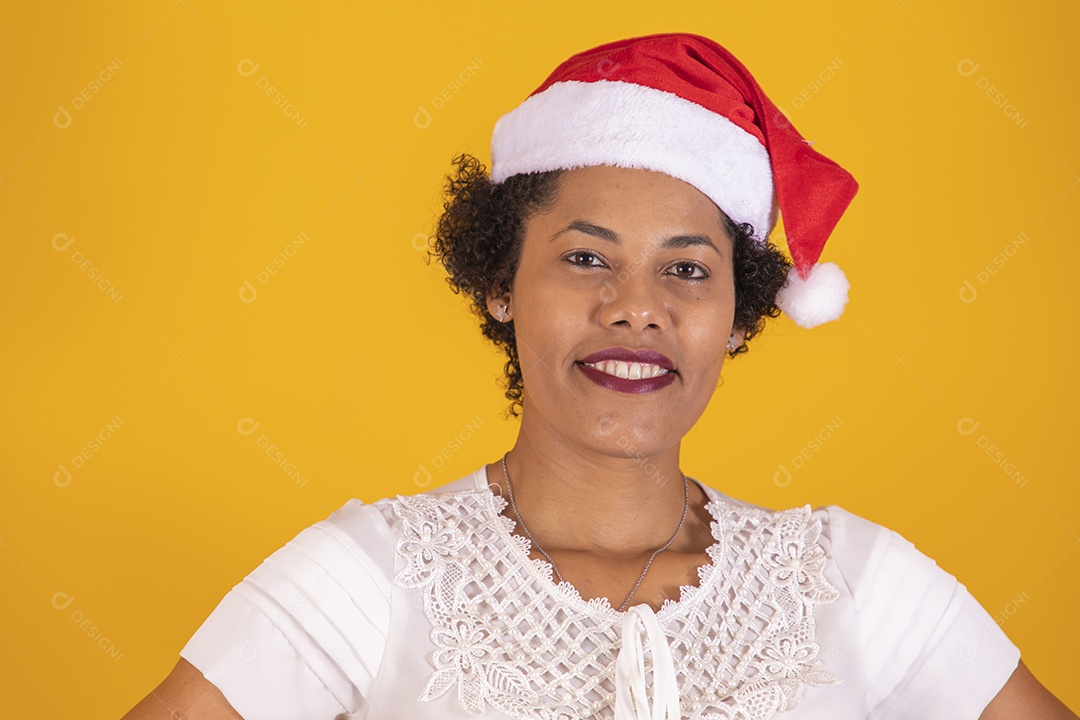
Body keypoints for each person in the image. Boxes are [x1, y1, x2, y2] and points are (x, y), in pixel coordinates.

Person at [121, 33, 1077, 720]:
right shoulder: (371, 580)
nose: (637, 307)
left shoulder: (858, 585)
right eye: (586, 259)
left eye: (687, 269)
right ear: (501, 283)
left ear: (738, 311)